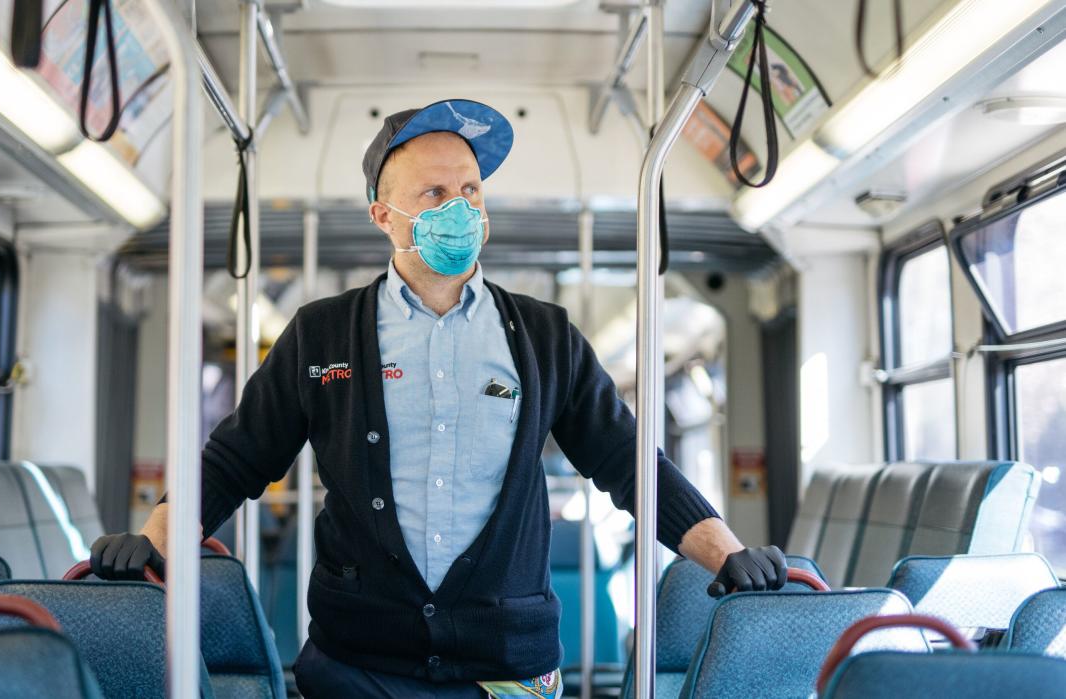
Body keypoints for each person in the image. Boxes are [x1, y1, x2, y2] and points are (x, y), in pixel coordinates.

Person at [91, 99, 787, 698]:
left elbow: (627, 461)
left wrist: (726, 551)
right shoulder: (322, 333)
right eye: (433, 195)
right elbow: (235, 460)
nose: (459, 208)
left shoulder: (544, 336)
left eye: (471, 191)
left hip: (510, 663)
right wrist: (151, 540)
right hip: (356, 661)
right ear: (382, 215)